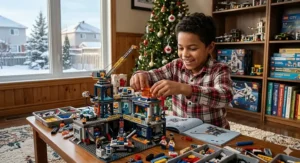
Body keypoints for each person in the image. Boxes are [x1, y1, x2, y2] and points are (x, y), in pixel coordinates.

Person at [130, 12, 234, 129]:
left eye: (192, 48)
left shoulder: (219, 69)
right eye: (180, 48)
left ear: (210, 47)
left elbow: (225, 96)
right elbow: (152, 75)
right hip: (181, 131)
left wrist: (185, 89)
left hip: (213, 134)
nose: (184, 54)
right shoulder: (175, 65)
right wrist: (140, 75)